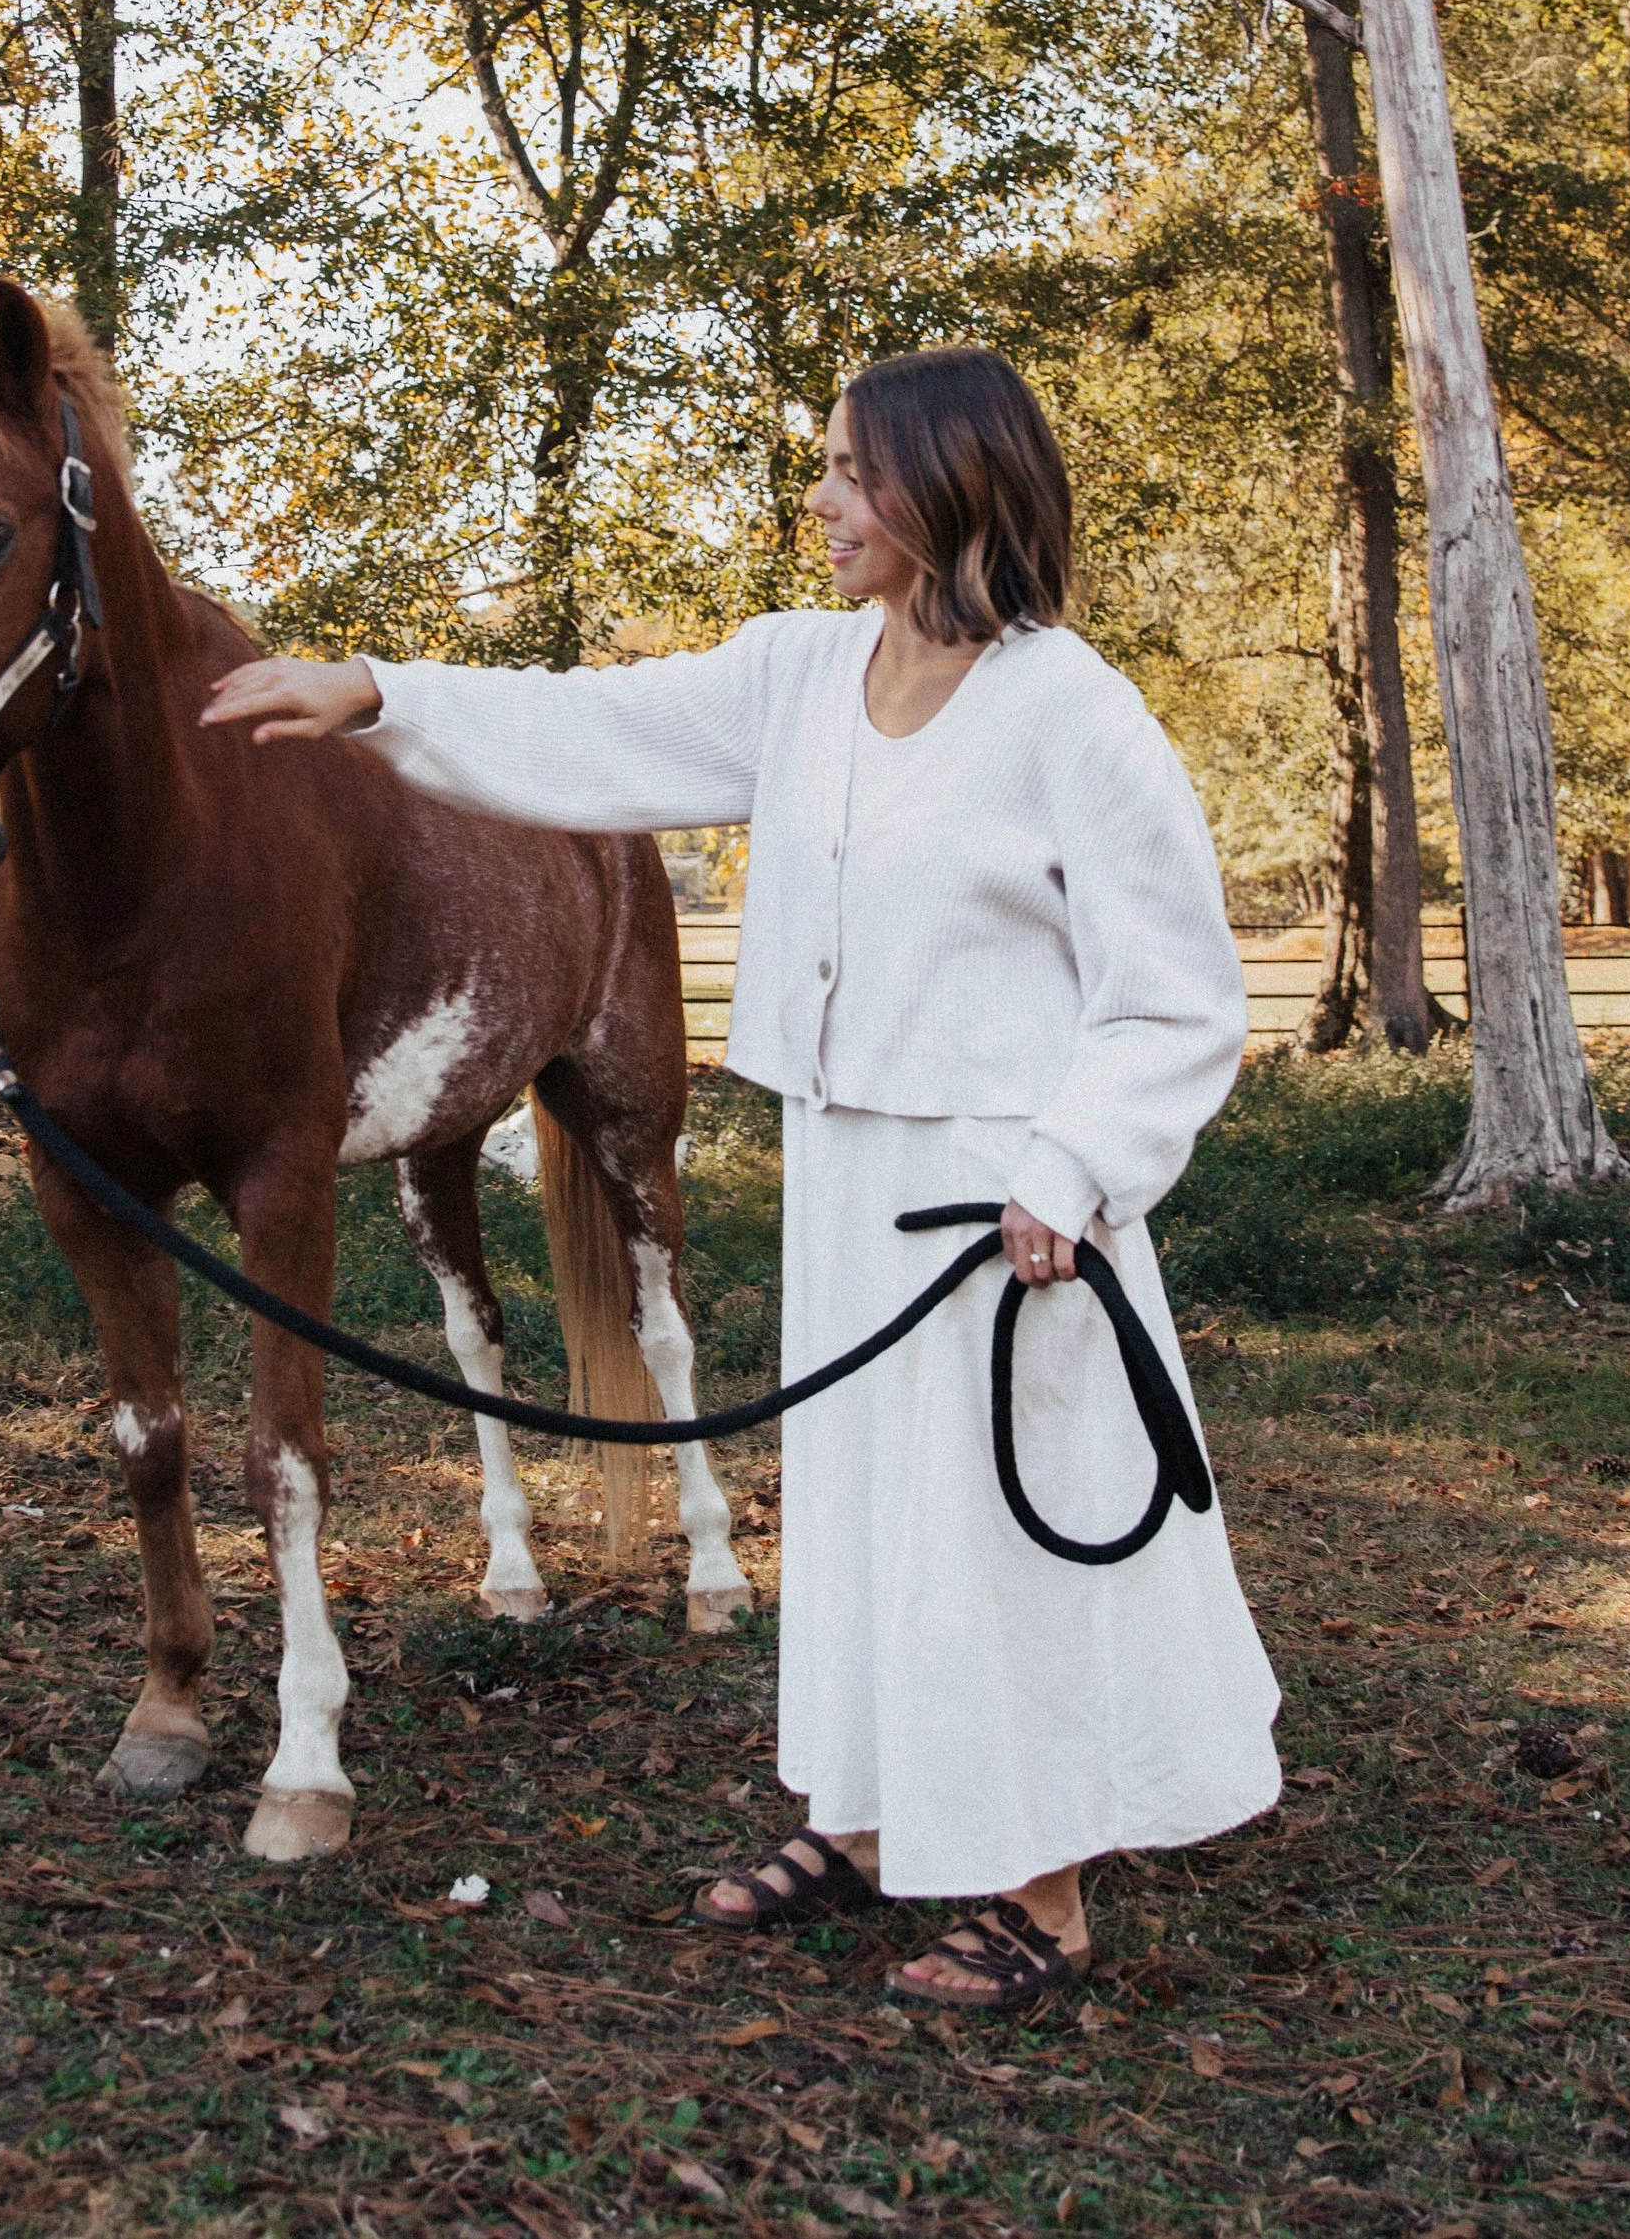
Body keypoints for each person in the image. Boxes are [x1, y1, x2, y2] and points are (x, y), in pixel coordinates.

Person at [204, 347, 1279, 2010]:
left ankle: (1045, 1894)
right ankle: (863, 1826)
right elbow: (597, 726)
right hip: (850, 1172)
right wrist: (379, 693)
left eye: (851, 470)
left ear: (949, 482)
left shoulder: (1077, 714)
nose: (823, 498)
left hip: (1011, 1221)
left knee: (996, 1539)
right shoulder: (802, 676)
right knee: (859, 1527)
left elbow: (1177, 997)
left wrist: (1073, 1171)